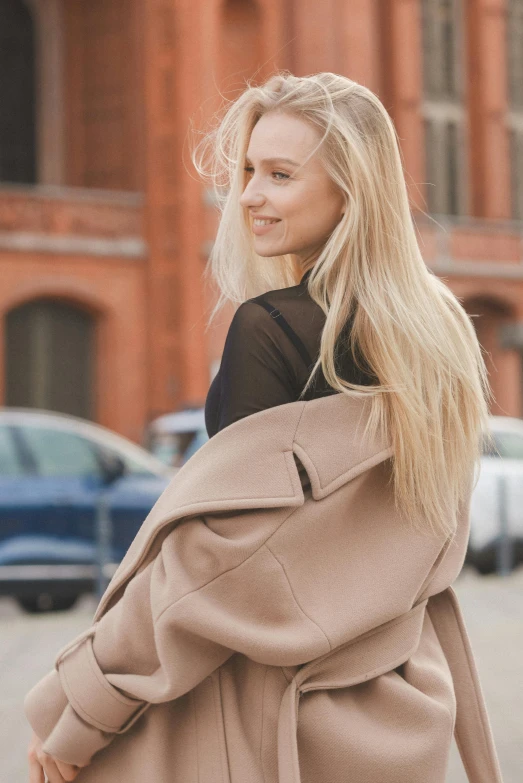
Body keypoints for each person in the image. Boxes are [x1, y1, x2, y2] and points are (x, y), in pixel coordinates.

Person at [25, 72, 501, 783]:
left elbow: (215, 568)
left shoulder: (272, 327)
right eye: (248, 169)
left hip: (258, 720)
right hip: (391, 712)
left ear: (351, 190)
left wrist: (82, 712)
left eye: (279, 174)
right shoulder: (436, 338)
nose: (248, 194)